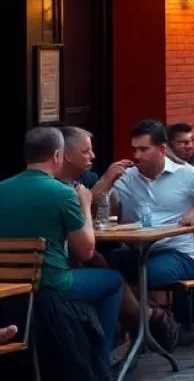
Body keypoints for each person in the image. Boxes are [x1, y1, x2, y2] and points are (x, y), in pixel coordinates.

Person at [0, 127, 125, 371]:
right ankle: (99, 362)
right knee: (113, 281)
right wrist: (85, 204)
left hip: (7, 288)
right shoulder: (62, 193)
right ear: (57, 155)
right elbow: (86, 251)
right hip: (52, 285)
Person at [108, 120, 194, 333]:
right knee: (104, 267)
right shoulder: (127, 177)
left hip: (177, 253)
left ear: (161, 150)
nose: (136, 156)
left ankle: (147, 324)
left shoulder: (184, 174)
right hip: (137, 250)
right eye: (134, 150)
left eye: (143, 149)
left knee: (144, 274)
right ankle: (152, 317)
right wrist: (106, 182)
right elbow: (101, 209)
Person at [57, 125, 131, 196]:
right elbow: (78, 205)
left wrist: (113, 180)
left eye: (91, 150)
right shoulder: (52, 186)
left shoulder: (87, 177)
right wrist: (105, 180)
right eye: (85, 151)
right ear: (67, 156)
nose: (93, 156)